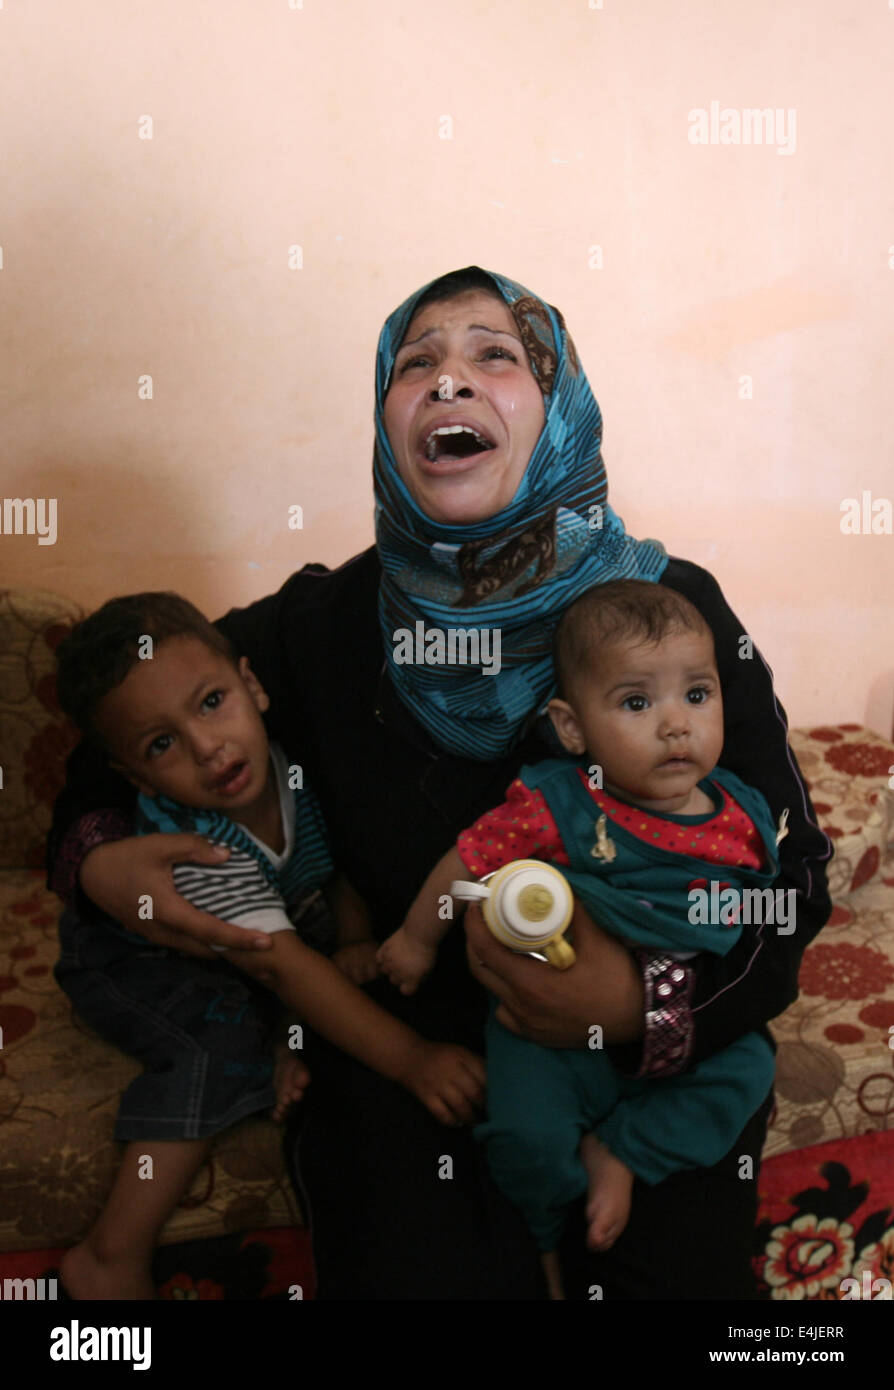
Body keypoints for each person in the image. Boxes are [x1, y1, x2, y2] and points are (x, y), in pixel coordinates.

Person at [47, 265, 833, 1300]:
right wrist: (101, 862)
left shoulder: (669, 618)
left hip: (655, 1057)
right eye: (416, 362)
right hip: (407, 1058)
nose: (449, 381)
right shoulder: (319, 628)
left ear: (558, 406)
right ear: (386, 413)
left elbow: (793, 878)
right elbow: (114, 746)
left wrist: (641, 1003)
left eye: (495, 354)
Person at [52, 591, 485, 1299]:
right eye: (162, 745)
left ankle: (285, 1040)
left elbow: (326, 861)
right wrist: (414, 1061)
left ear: (252, 686)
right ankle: (109, 1254)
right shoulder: (202, 854)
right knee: (221, 1049)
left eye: (212, 702)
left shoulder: (288, 765)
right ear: (134, 778)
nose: (206, 746)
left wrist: (350, 932)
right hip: (136, 960)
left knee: (301, 975)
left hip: (249, 935)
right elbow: (283, 969)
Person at [379, 578, 790, 1297]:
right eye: (637, 703)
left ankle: (624, 1152)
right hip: (549, 1035)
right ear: (572, 729)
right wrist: (416, 940)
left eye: (697, 695)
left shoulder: (745, 814)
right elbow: (468, 860)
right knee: (525, 1140)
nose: (675, 726)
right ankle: (544, 1244)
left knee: (750, 1071)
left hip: (681, 1026)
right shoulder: (560, 802)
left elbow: (771, 922)